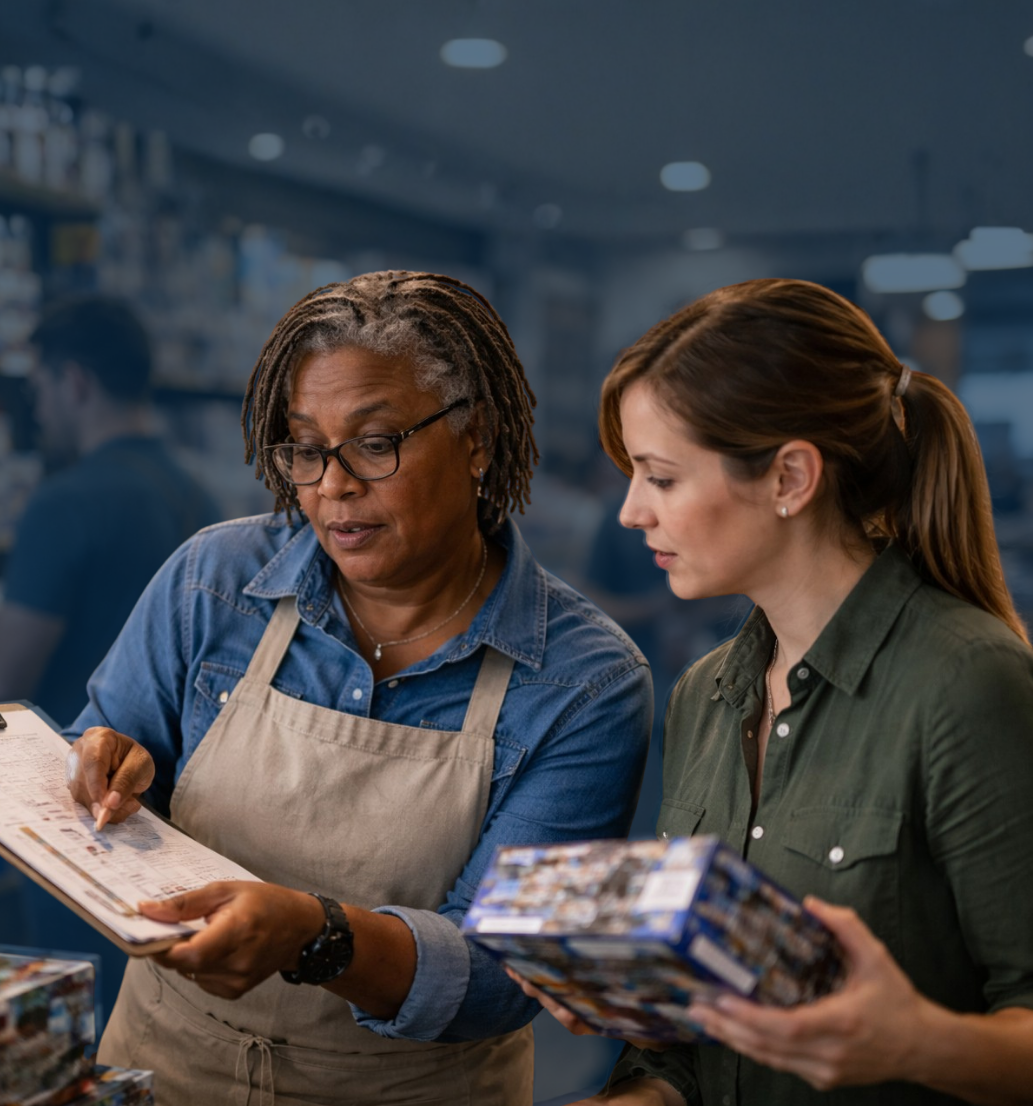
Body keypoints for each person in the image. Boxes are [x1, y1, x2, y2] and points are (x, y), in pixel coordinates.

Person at [64, 270, 653, 1104]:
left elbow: (502, 973)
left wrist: (315, 936)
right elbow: (94, 767)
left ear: (477, 437)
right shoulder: (212, 584)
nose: (333, 485)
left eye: (376, 443)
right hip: (165, 1068)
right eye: (306, 448)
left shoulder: (583, 683)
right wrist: (97, 763)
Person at [517, 278, 1033, 1105]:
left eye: (661, 478)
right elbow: (691, 1043)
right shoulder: (703, 698)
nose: (629, 513)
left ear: (790, 476)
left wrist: (918, 1044)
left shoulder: (965, 682)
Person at [0, 296, 218, 728]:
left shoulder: (64, 504)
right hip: (166, 769)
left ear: (74, 383)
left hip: (71, 770)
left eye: (39, 390)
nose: (38, 411)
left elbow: (1, 686)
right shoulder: (200, 497)